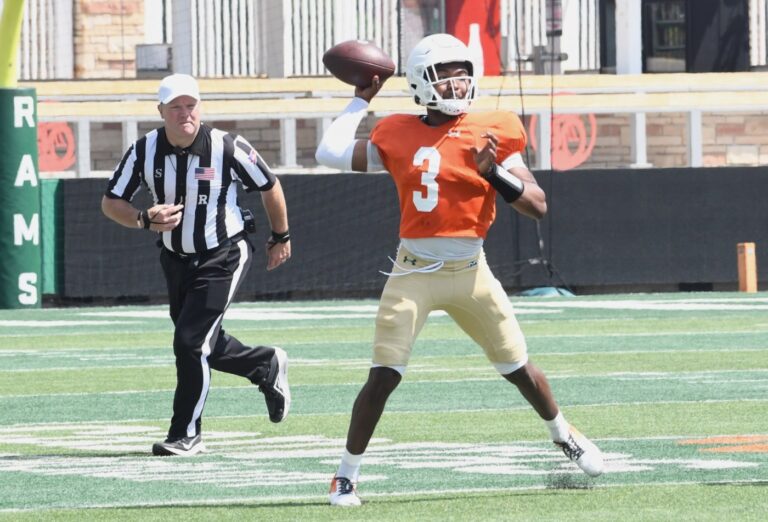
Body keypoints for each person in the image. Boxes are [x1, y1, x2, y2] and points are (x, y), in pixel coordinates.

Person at [315, 34, 604, 506]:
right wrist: (359, 101)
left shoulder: (494, 127)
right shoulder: (396, 130)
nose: (457, 81)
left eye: (462, 71)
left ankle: (563, 434)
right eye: (445, 73)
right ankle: (345, 475)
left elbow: (537, 205)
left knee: (518, 368)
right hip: (414, 272)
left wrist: (494, 173)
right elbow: (329, 153)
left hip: (472, 270)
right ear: (420, 81)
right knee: (384, 374)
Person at [102, 73, 292, 456]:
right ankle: (264, 364)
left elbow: (269, 186)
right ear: (161, 111)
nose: (184, 114)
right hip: (174, 256)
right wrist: (143, 218)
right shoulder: (144, 150)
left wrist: (280, 237)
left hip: (223, 252)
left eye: (190, 106)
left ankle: (185, 434)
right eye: (175, 107)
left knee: (189, 343)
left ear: (200, 108)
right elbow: (111, 202)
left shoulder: (227, 146)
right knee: (202, 342)